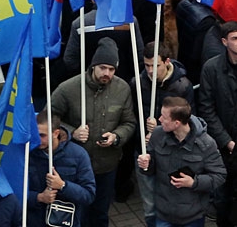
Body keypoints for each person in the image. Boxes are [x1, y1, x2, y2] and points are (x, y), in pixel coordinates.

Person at [49, 38, 137, 227]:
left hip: (106, 165)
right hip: (74, 167)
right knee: (73, 214)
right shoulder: (68, 89)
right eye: (103, 68)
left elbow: (129, 122)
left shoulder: (122, 89)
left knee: (100, 214)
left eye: (112, 69)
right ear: (93, 65)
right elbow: (47, 118)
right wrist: (70, 132)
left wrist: (117, 136)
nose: (107, 73)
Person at [136, 97, 226, 227]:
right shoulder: (157, 135)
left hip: (192, 216)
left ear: (177, 123)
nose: (159, 120)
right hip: (164, 213)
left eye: (163, 117)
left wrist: (194, 182)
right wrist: (146, 164)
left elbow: (220, 176)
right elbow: (150, 169)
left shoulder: (206, 144)